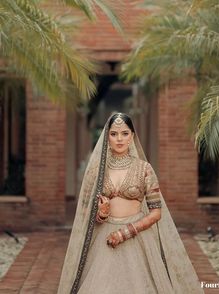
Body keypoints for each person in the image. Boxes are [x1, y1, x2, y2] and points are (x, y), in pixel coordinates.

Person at [58, 112, 204, 294]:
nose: (119, 139)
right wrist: (102, 213)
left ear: (132, 136)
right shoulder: (97, 171)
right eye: (114, 134)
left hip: (138, 237)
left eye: (125, 133)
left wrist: (126, 232)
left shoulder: (144, 169)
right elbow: (85, 214)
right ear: (106, 137)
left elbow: (156, 212)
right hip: (104, 237)